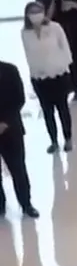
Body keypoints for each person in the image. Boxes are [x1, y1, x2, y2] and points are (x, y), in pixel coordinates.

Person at [20, 1, 74, 153]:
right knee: (47, 111)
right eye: (32, 12)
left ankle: (68, 138)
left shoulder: (55, 28)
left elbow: (66, 49)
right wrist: (35, 73)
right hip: (40, 78)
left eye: (38, 11)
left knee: (62, 108)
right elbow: (29, 55)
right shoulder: (25, 33)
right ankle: (54, 141)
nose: (36, 14)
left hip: (58, 75)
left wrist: (64, 68)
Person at [0, 57, 36, 218]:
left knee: (18, 169)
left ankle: (26, 204)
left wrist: (5, 122)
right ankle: (0, 206)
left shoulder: (9, 70)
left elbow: (19, 99)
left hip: (11, 129)